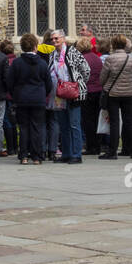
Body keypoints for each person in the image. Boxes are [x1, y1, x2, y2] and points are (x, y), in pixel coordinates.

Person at [6, 33, 52, 163]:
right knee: (37, 128)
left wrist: (15, 94)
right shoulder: (42, 63)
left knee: (24, 128)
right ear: (35, 46)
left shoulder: (17, 63)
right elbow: (48, 83)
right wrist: (43, 94)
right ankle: (37, 156)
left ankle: (24, 156)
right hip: (38, 99)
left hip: (22, 98)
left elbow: (10, 82)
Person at [49, 28, 90, 163]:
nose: (54, 41)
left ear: (63, 39)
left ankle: (76, 154)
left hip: (73, 93)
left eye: (57, 38)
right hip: (59, 94)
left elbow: (86, 69)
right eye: (52, 39)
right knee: (63, 125)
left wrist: (79, 84)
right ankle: (66, 153)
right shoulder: (53, 54)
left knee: (74, 124)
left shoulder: (72, 52)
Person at [98, 34, 132, 159]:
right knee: (130, 122)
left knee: (115, 123)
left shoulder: (110, 59)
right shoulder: (131, 59)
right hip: (129, 93)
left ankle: (112, 152)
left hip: (113, 94)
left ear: (113, 45)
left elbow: (102, 79)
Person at [78, 35, 104, 155]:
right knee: (96, 119)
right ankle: (97, 146)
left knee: (88, 121)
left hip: (88, 92)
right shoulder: (97, 58)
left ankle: (91, 146)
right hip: (98, 91)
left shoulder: (82, 59)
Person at [38, 33, 60, 159]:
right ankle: (53, 150)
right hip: (55, 90)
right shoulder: (57, 53)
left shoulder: (39, 53)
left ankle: (42, 149)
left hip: (41, 90)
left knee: (42, 121)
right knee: (54, 121)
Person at [0, 39, 18, 155]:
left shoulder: (3, 61)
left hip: (6, 95)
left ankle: (11, 147)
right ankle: (16, 147)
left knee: (7, 121)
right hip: (17, 95)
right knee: (16, 122)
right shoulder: (17, 61)